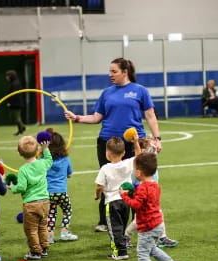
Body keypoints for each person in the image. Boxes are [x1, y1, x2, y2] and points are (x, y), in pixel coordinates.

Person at [64, 58, 163, 233]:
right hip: (107, 142)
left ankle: (137, 220)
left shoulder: (140, 91)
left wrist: (157, 138)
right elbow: (96, 117)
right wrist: (77, 117)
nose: (110, 75)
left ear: (125, 72)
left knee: (135, 180)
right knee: (108, 179)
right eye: (109, 71)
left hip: (134, 143)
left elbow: (150, 115)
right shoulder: (106, 93)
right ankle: (104, 220)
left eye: (114, 71)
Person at [120, 152, 181, 261]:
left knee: (142, 251)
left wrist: (124, 196)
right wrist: (134, 191)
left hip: (147, 225)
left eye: (135, 169)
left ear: (139, 173)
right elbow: (145, 198)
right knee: (151, 248)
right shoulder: (154, 185)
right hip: (157, 223)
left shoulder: (142, 188)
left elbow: (136, 205)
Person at [124, 136, 178, 249]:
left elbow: (153, 153)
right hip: (143, 194)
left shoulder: (150, 160)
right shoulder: (139, 164)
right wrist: (137, 143)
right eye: (147, 149)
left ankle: (162, 238)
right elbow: (139, 156)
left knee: (159, 214)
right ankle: (126, 236)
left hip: (152, 193)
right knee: (139, 219)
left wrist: (153, 143)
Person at [95, 136, 140, 260]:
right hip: (126, 201)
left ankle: (120, 252)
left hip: (112, 202)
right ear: (124, 153)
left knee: (114, 228)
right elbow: (138, 155)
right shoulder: (127, 163)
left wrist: (97, 196)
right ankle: (123, 246)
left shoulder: (105, 168)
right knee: (122, 226)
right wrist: (135, 142)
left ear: (107, 154)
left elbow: (99, 186)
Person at [9, 136, 53, 260]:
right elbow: (49, 160)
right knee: (43, 226)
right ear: (37, 150)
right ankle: (44, 248)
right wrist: (46, 149)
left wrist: (12, 187)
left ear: (19, 153)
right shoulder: (42, 163)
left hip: (31, 204)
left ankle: (35, 252)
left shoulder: (23, 170)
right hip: (45, 202)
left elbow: (22, 187)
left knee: (31, 229)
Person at [45, 128, 77, 244]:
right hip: (62, 192)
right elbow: (69, 174)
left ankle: (49, 236)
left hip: (48, 193)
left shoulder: (44, 160)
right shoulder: (65, 159)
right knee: (67, 211)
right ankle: (64, 232)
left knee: (51, 213)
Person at [5, 70, 26, 136]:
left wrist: (10, 102)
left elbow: (14, 94)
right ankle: (20, 129)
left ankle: (22, 128)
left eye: (7, 76)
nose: (6, 77)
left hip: (16, 103)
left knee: (17, 118)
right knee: (13, 117)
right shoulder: (12, 83)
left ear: (11, 76)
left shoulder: (15, 84)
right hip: (14, 103)